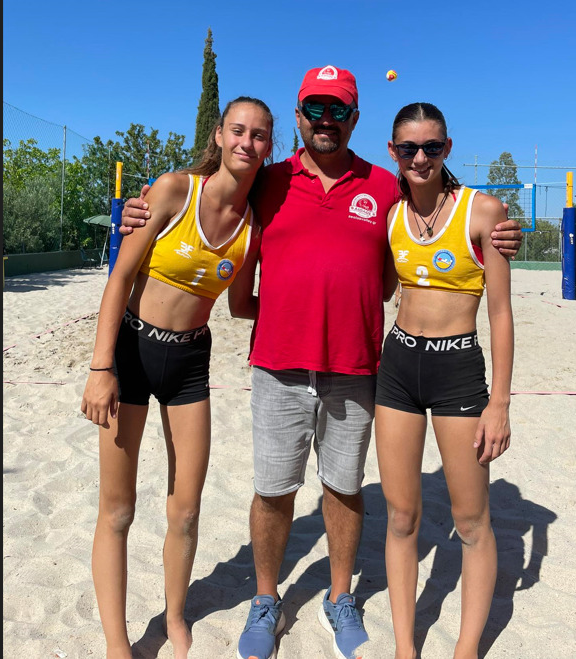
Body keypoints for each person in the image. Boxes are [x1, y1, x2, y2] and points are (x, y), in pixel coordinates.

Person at [119, 66, 524, 659]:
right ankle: (265, 598)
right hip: (278, 364)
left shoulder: (383, 186)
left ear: (355, 119)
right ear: (299, 115)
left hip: (355, 368)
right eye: (315, 109)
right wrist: (142, 206)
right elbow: (210, 193)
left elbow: (433, 225)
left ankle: (339, 596)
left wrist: (504, 234)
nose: (325, 120)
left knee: (344, 488)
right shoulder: (269, 180)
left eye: (338, 110)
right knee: (272, 491)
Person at [80, 96, 273, 659]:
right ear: (218, 135)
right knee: (118, 509)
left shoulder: (252, 226)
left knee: (185, 510)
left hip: (190, 361)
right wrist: (101, 367)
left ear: (268, 146)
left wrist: (306, 303)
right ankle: (118, 643)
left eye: (259, 135)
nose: (247, 142)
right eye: (237, 130)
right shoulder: (173, 191)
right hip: (131, 352)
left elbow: (242, 305)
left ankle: (175, 616)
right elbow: (120, 278)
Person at [375, 101, 514, 659]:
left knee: (471, 521)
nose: (420, 158)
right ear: (393, 152)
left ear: (447, 148)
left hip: (458, 369)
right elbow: (376, 282)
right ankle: (405, 647)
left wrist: (499, 403)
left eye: (431, 147)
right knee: (401, 516)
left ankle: (465, 648)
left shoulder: (483, 211)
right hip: (398, 368)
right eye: (409, 148)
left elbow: (500, 313)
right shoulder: (389, 213)